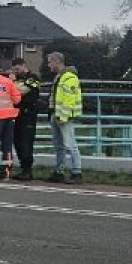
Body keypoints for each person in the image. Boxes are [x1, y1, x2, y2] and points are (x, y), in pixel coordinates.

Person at [45, 51, 84, 183]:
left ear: (57, 61)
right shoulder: (60, 77)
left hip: (63, 116)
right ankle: (59, 171)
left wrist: (63, 116)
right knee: (59, 145)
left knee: (70, 145)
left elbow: (68, 99)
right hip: (57, 115)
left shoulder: (69, 78)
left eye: (50, 62)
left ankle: (77, 172)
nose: (48, 65)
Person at [8, 57, 44, 181]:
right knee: (17, 141)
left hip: (28, 114)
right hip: (17, 114)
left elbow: (21, 91)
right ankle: (23, 168)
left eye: (17, 69)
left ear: (24, 65)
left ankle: (28, 170)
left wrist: (11, 84)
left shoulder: (33, 78)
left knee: (26, 142)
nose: (16, 72)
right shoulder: (17, 79)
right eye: (14, 70)